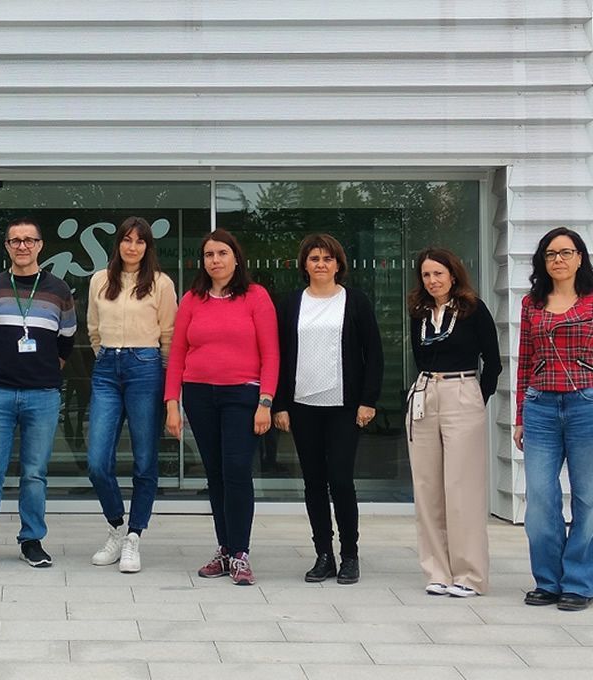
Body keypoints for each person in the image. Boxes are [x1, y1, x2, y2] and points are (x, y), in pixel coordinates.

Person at [0, 218, 77, 569]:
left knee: (34, 473)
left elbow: (67, 341)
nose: (22, 246)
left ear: (40, 245)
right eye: (15, 240)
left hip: (42, 394)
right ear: (7, 246)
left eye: (29, 240)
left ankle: (32, 541)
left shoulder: (59, 290)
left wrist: (42, 369)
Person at [164, 229, 278, 586]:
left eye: (222, 253)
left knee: (237, 471)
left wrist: (265, 402)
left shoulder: (256, 296)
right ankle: (225, 549)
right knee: (215, 474)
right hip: (199, 396)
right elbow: (177, 353)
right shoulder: (192, 299)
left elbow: (271, 353)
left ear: (236, 258)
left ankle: (241, 553)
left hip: (243, 396)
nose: (215, 260)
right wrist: (172, 403)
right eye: (209, 254)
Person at [273, 234, 383, 586]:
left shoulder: (355, 301)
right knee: (313, 483)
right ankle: (324, 554)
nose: (321, 264)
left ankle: (350, 554)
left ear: (338, 264)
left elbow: (374, 353)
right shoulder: (291, 304)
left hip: (343, 407)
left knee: (341, 480)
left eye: (327, 258)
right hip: (302, 406)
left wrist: (368, 400)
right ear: (304, 265)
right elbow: (279, 355)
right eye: (314, 258)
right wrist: (280, 404)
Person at [405, 248, 500, 598]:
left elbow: (493, 362)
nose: (432, 281)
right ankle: (437, 571)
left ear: (453, 275)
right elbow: (419, 357)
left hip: (463, 390)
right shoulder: (419, 312)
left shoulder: (474, 309)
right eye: (426, 275)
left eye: (438, 274)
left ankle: (469, 575)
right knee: (427, 486)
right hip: (426, 391)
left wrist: (476, 399)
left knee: (462, 487)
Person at [85, 217, 177, 573]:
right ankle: (116, 526)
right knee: (97, 461)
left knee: (144, 460)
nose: (132, 247)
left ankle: (134, 535)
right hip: (107, 367)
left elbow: (168, 335)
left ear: (147, 246)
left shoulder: (160, 283)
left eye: (140, 241)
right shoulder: (99, 280)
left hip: (146, 367)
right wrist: (107, 356)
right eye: (127, 239)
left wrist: (166, 383)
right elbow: (93, 328)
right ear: (118, 244)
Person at [515, 226, 593, 612]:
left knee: (588, 499)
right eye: (550, 254)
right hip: (540, 407)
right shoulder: (532, 303)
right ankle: (548, 580)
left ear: (580, 258)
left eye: (565, 252)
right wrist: (519, 416)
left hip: (586, 406)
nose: (558, 260)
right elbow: (524, 361)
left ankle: (578, 582)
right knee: (540, 500)